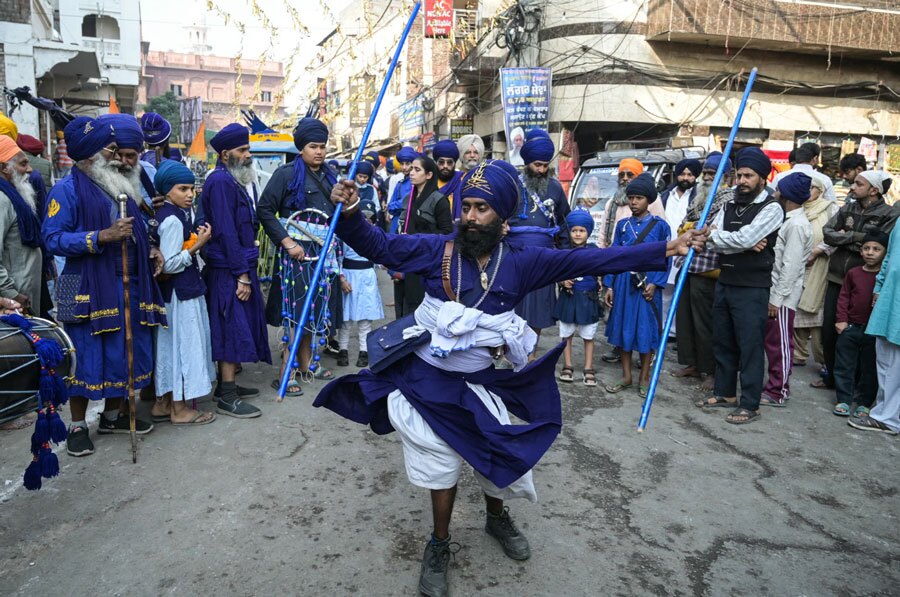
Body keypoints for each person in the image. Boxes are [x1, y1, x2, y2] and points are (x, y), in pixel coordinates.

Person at [316, 159, 704, 597]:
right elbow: (381, 246)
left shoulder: (524, 261)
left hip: (480, 379)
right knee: (440, 464)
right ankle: (439, 543)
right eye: (466, 207)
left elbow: (592, 258)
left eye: (482, 209)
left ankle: (496, 517)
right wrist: (349, 213)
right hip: (425, 380)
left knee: (495, 453)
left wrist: (666, 249)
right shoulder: (435, 250)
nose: (470, 217)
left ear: (502, 217)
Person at [43, 116, 167, 456]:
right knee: (83, 357)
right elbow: (52, 239)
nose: (117, 156)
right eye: (110, 150)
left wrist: (151, 249)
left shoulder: (121, 183)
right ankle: (78, 426)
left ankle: (113, 415)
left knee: (121, 351)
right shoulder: (65, 191)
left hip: (127, 281)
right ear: (88, 156)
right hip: (83, 285)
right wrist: (101, 236)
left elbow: (137, 228)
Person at [698, 147, 784, 425]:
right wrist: (737, 241)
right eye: (739, 175)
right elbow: (714, 235)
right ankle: (725, 393)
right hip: (726, 280)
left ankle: (750, 403)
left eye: (749, 176)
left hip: (752, 287)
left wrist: (730, 239)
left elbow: (744, 238)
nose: (742, 181)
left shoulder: (771, 208)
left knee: (749, 345)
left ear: (762, 178)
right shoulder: (729, 204)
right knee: (722, 340)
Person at [258, 117, 340, 391]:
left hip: (322, 255)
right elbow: (265, 211)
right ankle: (287, 371)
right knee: (295, 312)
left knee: (314, 312)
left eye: (323, 147)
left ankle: (305, 364)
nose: (319, 152)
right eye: (313, 146)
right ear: (301, 148)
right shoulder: (285, 175)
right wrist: (287, 242)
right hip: (296, 255)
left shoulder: (330, 176)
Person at [201, 123, 270, 418]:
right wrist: (241, 274)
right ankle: (227, 395)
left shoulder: (232, 181)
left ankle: (227, 386)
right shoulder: (219, 182)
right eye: (243, 150)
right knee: (230, 327)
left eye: (248, 149)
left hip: (237, 264)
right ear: (226, 153)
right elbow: (227, 232)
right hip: (229, 270)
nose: (248, 155)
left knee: (238, 324)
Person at [818, 169, 900, 389]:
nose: (852, 187)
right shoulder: (848, 207)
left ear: (873, 190)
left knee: (858, 333)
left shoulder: (889, 214)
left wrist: (848, 236)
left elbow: (880, 242)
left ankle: (854, 383)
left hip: (866, 280)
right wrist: (856, 239)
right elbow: (827, 233)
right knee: (829, 329)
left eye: (858, 184)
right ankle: (832, 377)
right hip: (837, 276)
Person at [149, 160, 216, 426]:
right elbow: (170, 263)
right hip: (180, 295)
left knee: (168, 347)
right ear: (167, 191)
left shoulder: (166, 214)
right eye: (182, 189)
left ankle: (163, 403)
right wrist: (197, 245)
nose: (189, 194)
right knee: (183, 348)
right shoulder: (174, 219)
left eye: (192, 189)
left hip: (171, 294)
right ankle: (180, 409)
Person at [602, 173, 671, 398]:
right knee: (624, 330)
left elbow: (666, 258)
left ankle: (643, 378)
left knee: (645, 331)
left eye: (639, 198)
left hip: (646, 286)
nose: (633, 202)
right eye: (631, 197)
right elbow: (614, 256)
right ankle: (626, 375)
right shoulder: (622, 225)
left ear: (648, 200)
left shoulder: (660, 226)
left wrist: (655, 283)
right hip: (623, 284)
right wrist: (610, 285)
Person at [672, 152, 733, 391]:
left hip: (709, 269)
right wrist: (687, 229)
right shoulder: (699, 198)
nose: (707, 178)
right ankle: (693, 364)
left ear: (726, 177)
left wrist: (689, 230)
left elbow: (708, 232)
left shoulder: (728, 200)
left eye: (712, 174)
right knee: (686, 320)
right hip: (687, 266)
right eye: (706, 173)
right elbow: (685, 226)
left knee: (706, 323)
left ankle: (711, 371)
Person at [510, 130, 570, 338]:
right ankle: (512, 350)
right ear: (527, 162)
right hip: (514, 256)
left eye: (545, 165)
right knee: (512, 307)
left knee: (537, 309)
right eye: (537, 165)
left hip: (544, 258)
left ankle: (531, 351)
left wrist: (566, 262)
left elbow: (564, 225)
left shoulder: (555, 188)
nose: (542, 169)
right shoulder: (512, 185)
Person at [760, 173, 813, 407]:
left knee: (779, 344)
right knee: (772, 342)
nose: (775, 194)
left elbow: (790, 267)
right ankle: (775, 386)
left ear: (788, 196)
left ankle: (777, 390)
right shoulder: (788, 220)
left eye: (779, 190)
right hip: (775, 293)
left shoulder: (797, 225)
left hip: (781, 297)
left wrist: (777, 299)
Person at [851, 205, 900, 435]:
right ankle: (883, 411)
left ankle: (888, 418)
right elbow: (890, 256)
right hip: (890, 298)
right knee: (884, 357)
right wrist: (879, 286)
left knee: (895, 363)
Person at [831, 230, 886, 418]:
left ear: (885, 253)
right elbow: (843, 297)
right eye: (866, 248)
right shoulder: (854, 273)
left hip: (873, 330)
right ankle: (843, 400)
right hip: (851, 327)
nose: (870, 252)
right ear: (860, 251)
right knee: (845, 365)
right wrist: (841, 320)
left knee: (869, 368)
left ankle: (864, 402)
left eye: (876, 249)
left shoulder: (884, 278)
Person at [398, 155, 453, 315]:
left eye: (417, 169)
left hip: (429, 261)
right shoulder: (408, 199)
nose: (411, 172)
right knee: (407, 306)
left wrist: (423, 236)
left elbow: (446, 233)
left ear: (429, 175)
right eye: (411, 169)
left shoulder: (439, 200)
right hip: (408, 259)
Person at [792, 177, 838, 368]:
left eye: (812, 188)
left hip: (820, 265)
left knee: (817, 313)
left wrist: (818, 250)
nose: (808, 191)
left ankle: (822, 358)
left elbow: (837, 235)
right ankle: (798, 353)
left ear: (820, 190)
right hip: (798, 265)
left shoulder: (830, 208)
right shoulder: (797, 208)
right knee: (796, 308)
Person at [554, 209, 602, 387]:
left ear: (588, 232)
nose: (578, 234)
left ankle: (588, 368)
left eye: (582, 230)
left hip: (588, 299)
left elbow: (601, 270)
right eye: (574, 230)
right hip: (569, 298)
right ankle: (568, 365)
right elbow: (556, 272)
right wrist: (562, 281)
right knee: (567, 334)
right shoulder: (563, 252)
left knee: (588, 335)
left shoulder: (595, 251)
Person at [0, 136, 43, 315]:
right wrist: (11, 293)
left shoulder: (12, 194)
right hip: (14, 299)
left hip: (23, 292)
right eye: (23, 164)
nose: (30, 169)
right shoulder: (2, 199)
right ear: (4, 168)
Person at [660, 158, 702, 338]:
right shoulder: (664, 195)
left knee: (682, 291)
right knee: (665, 292)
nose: (686, 177)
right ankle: (664, 329)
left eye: (690, 174)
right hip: (667, 248)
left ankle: (678, 332)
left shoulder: (699, 197)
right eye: (682, 174)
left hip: (686, 249)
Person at [96, 114, 159, 217]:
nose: (123, 162)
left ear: (138, 155)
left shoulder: (149, 173)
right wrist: (102, 234)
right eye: (116, 154)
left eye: (130, 156)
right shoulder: (79, 183)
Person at [386, 146, 419, 319]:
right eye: (403, 164)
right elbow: (392, 205)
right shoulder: (400, 183)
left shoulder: (415, 183)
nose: (406, 168)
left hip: (409, 229)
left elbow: (405, 203)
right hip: (396, 229)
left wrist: (398, 204)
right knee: (398, 282)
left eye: (409, 164)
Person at [432, 139, 464, 220]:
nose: (445, 166)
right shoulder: (428, 182)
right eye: (441, 162)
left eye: (449, 162)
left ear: (454, 164)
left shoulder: (462, 181)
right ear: (436, 162)